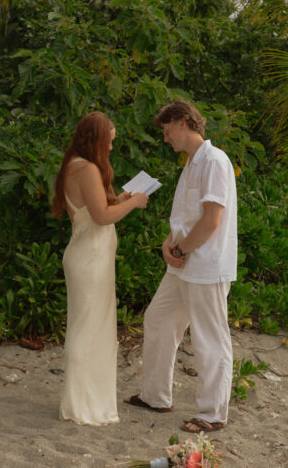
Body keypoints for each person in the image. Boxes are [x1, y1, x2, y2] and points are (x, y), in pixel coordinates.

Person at [124, 99, 238, 434]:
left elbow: (212, 220)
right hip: (183, 261)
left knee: (210, 337)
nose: (164, 138)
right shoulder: (191, 163)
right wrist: (168, 244)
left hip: (205, 264)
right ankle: (156, 396)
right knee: (158, 318)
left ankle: (213, 414)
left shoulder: (215, 161)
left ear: (183, 122)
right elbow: (186, 218)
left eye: (166, 129)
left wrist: (180, 249)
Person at [52, 112, 148, 426]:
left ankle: (83, 398)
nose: (110, 147)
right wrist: (134, 203)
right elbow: (103, 218)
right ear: (97, 138)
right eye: (109, 140)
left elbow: (99, 207)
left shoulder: (74, 165)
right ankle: (81, 403)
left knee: (89, 328)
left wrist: (119, 198)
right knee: (87, 330)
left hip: (87, 257)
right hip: (90, 259)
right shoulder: (89, 169)